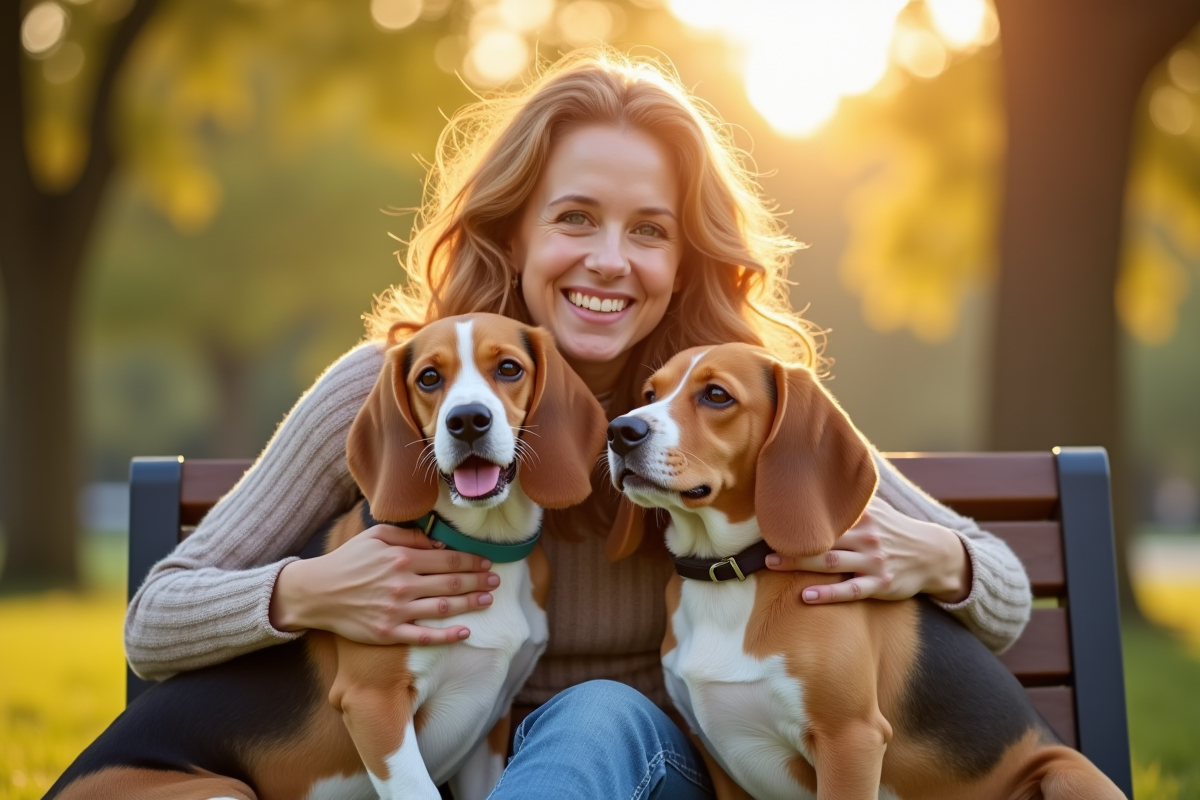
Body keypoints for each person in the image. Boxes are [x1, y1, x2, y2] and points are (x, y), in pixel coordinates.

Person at [125, 49, 1031, 799]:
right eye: (575, 219)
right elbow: (155, 621)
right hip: (459, 772)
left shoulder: (724, 401)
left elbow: (1003, 588)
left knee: (594, 714)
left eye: (649, 231)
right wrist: (305, 592)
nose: (609, 260)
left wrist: (938, 559)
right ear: (512, 233)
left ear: (685, 258)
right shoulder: (402, 386)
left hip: (654, 761)